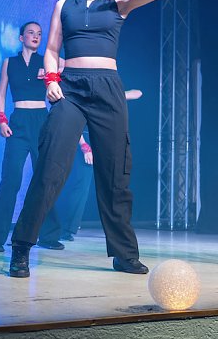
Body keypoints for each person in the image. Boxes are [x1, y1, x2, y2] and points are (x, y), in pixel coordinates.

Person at [8, 0, 174, 278]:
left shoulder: (120, 0)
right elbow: (53, 50)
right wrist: (52, 80)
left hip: (108, 88)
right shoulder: (63, 6)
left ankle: (124, 255)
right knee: (51, 166)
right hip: (71, 89)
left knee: (115, 173)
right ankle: (21, 247)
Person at [0, 21, 62, 252]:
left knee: (44, 180)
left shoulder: (47, 61)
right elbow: (1, 93)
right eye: (31, 33)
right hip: (18, 123)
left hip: (42, 121)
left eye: (39, 34)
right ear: (21, 38)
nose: (36, 36)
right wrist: (1, 119)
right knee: (10, 180)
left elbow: (69, 67)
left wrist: (52, 71)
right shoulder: (10, 62)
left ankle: (48, 235)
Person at [38, 90, 143, 245]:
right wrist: (84, 146)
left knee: (86, 188)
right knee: (67, 185)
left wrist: (115, 93)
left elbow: (138, 93)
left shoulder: (104, 91)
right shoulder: (74, 90)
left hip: (96, 138)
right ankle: (55, 229)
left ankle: (69, 229)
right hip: (78, 138)